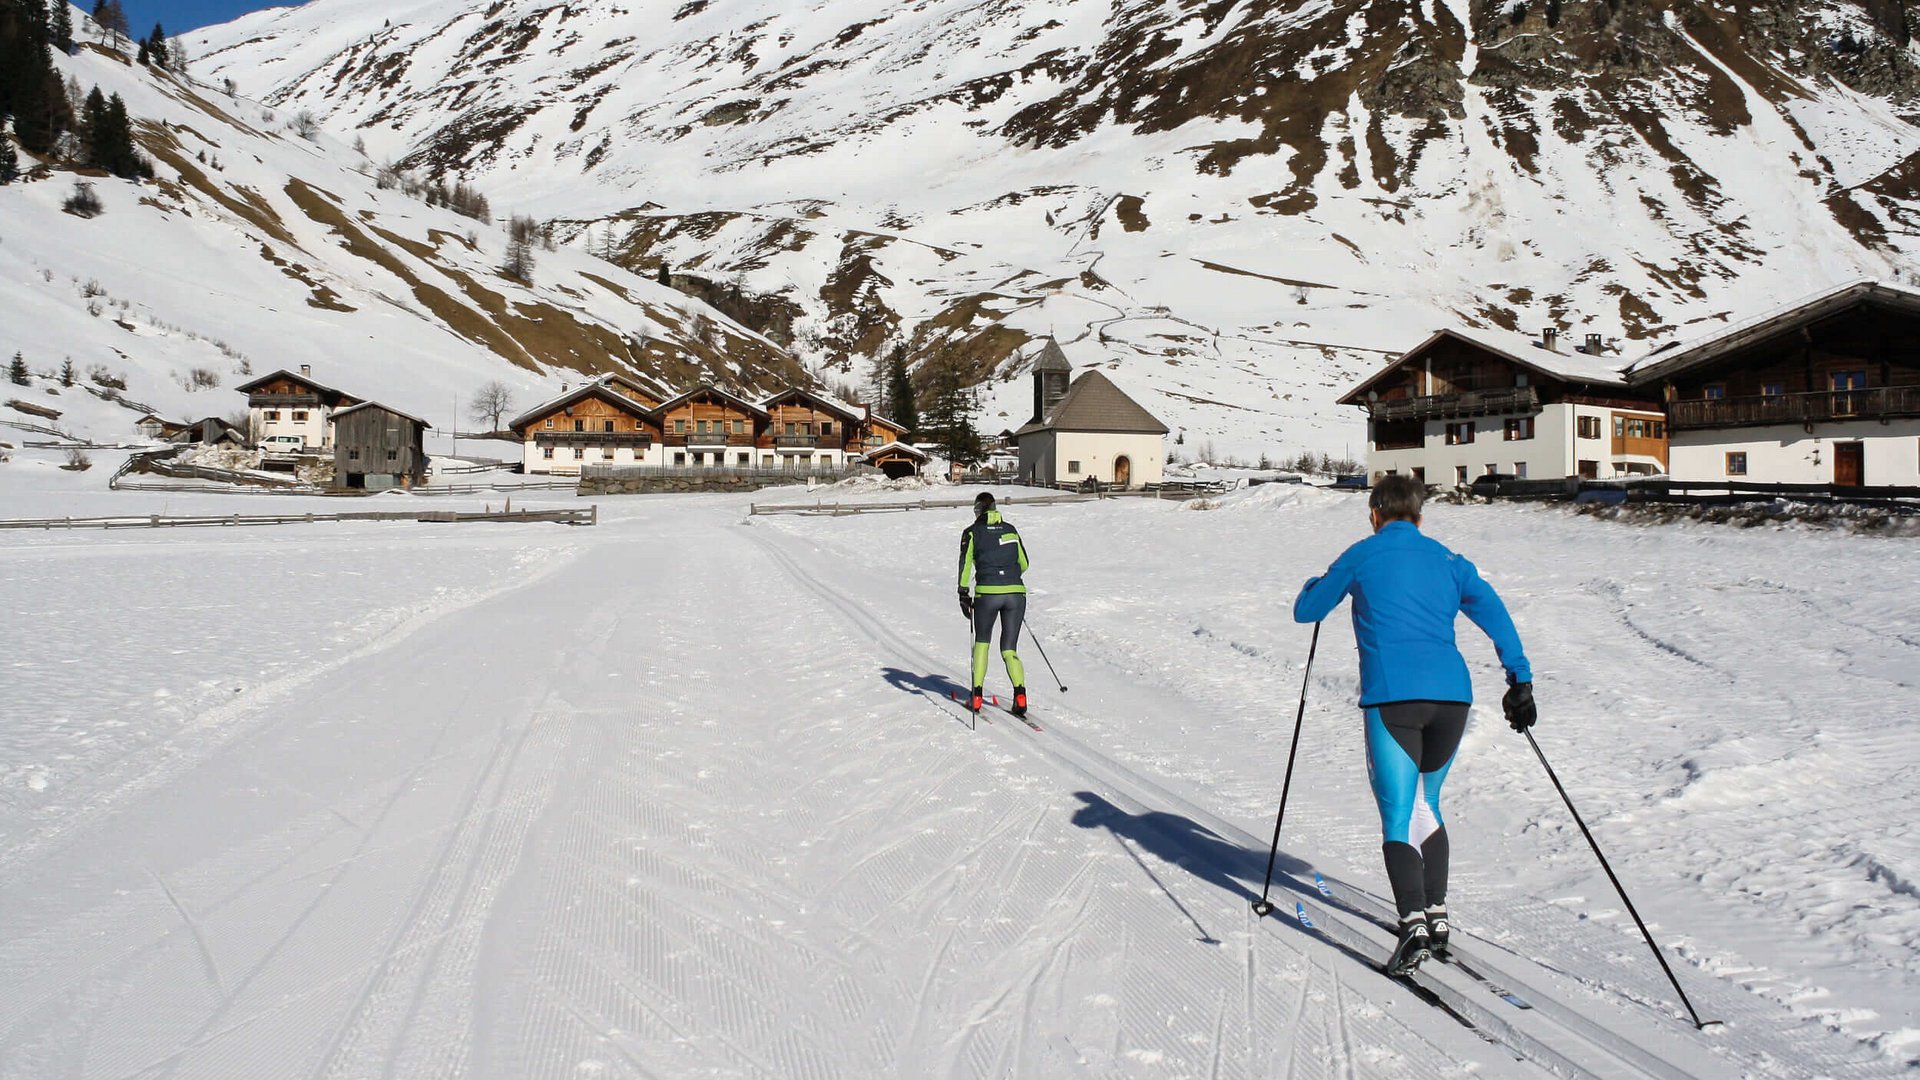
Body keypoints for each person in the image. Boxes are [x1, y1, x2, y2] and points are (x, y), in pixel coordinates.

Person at [1292, 474, 1536, 976]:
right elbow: (1496, 613)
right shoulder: (1450, 561)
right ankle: (1437, 914)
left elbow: (1308, 611)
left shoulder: (1362, 554)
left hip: (1393, 699)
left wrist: (1312, 586)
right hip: (1452, 699)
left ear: (1375, 514)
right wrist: (1520, 679)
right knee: (1429, 803)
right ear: (1420, 517)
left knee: (1398, 813)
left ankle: (1413, 926)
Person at [957, 491, 1031, 716]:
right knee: (1009, 648)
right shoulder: (1010, 530)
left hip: (987, 594)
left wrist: (963, 593)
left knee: (982, 643)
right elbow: (1025, 563)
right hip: (1015, 594)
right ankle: (1020, 695)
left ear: (978, 510)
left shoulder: (971, 533)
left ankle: (977, 696)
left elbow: (966, 564)